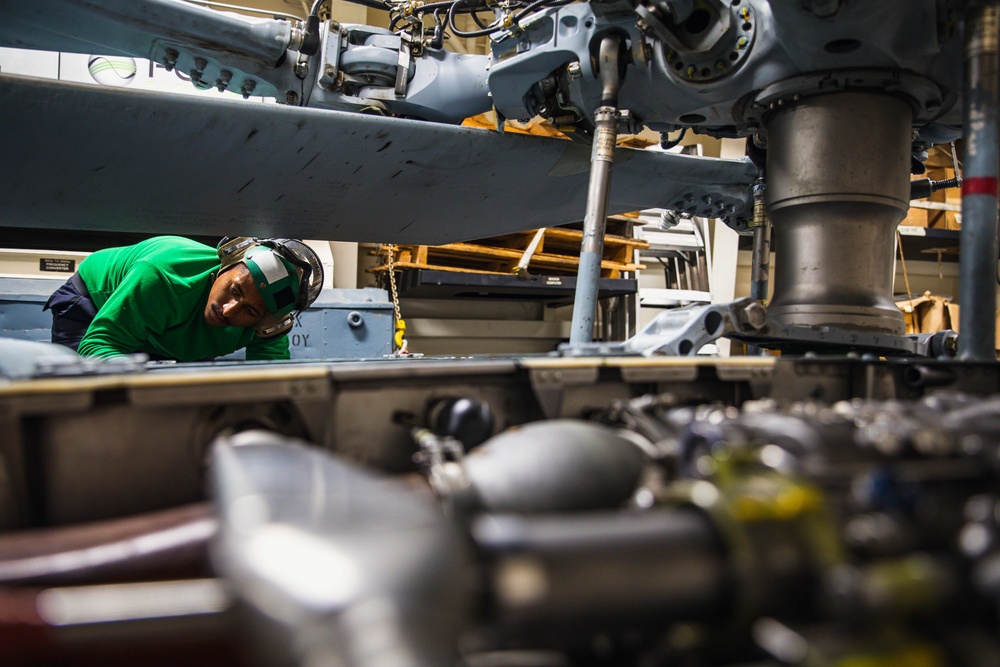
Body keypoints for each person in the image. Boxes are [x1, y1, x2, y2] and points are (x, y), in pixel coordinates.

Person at [43, 235, 324, 361]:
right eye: (235, 290)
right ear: (221, 269)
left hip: (162, 331)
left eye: (249, 311)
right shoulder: (164, 276)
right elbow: (97, 344)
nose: (228, 310)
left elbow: (270, 380)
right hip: (93, 305)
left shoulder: (269, 322)